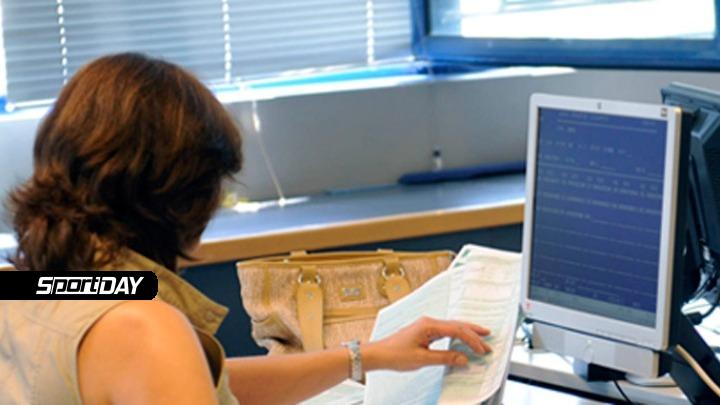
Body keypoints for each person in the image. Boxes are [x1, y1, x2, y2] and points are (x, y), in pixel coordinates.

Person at [0, 53, 492, 405]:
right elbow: (160, 362)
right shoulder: (144, 328)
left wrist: (367, 357)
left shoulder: (32, 287)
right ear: (184, 197)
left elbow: (198, 379)